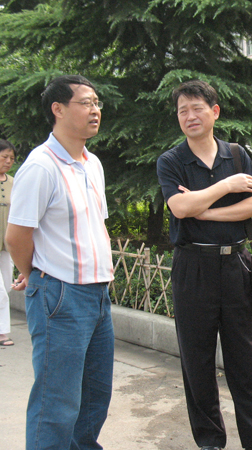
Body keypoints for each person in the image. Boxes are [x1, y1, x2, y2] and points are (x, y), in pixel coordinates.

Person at [156, 80, 252, 450]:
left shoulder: (236, 155)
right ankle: (210, 441)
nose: (190, 116)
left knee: (245, 359)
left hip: (236, 264)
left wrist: (204, 209)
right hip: (193, 267)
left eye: (197, 108)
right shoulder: (171, 161)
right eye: (183, 111)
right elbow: (180, 208)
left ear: (214, 112)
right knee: (197, 360)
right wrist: (227, 186)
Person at [6, 75, 114, 449]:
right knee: (57, 402)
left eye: (97, 102)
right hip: (61, 296)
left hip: (98, 296)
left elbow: (95, 225)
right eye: (86, 102)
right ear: (58, 109)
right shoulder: (41, 166)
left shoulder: (92, 163)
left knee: (94, 399)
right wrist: (34, 274)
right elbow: (17, 236)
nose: (95, 110)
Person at [0, 139, 15, 347]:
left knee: (6, 286)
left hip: (7, 244)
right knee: (0, 291)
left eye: (11, 158)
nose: (8, 161)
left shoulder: (14, 183)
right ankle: (2, 332)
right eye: (4, 156)